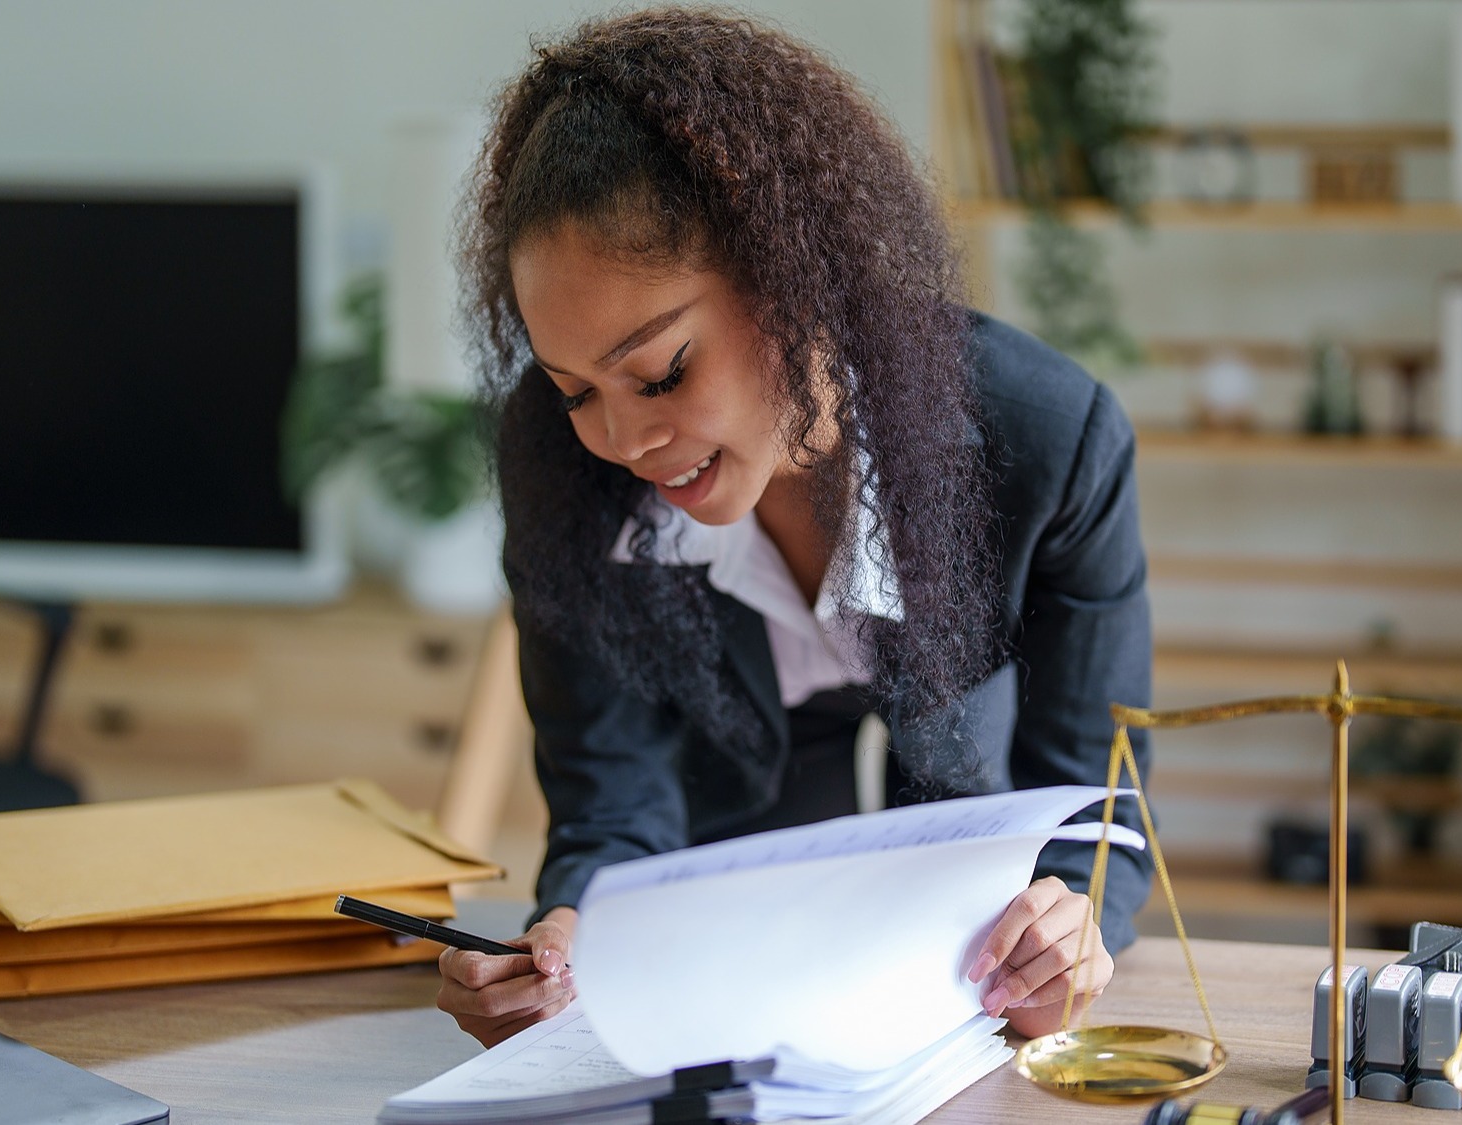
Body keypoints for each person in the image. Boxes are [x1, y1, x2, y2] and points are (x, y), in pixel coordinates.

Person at [436, 7, 1154, 1048]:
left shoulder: (1049, 441)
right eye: (574, 391)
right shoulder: (558, 463)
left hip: (954, 774)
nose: (623, 437)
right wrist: (569, 937)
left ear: (793, 277)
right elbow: (608, 804)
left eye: (659, 371)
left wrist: (1068, 924)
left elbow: (1096, 804)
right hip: (738, 799)